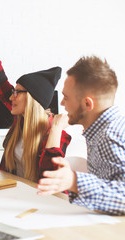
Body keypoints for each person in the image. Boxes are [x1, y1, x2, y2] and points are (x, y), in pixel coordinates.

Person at [0, 19, 71, 182]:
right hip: (13, 192)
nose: (10, 96)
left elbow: (50, 177)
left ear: (31, 99)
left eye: (16, 92)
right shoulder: (20, 119)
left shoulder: (55, 132)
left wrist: (56, 129)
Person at [37, 56, 125, 215]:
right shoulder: (101, 132)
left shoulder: (111, 136)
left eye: (66, 97)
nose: (62, 103)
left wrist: (74, 181)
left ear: (87, 104)